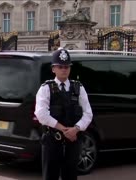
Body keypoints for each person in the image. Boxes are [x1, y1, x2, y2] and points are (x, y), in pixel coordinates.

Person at [34, 49, 93, 180]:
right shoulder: (46, 88)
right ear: (53, 69)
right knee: (50, 175)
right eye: (60, 66)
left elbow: (88, 113)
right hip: (52, 140)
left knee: (71, 175)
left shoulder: (78, 88)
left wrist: (76, 129)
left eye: (66, 67)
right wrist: (63, 129)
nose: (64, 70)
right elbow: (41, 114)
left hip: (73, 140)